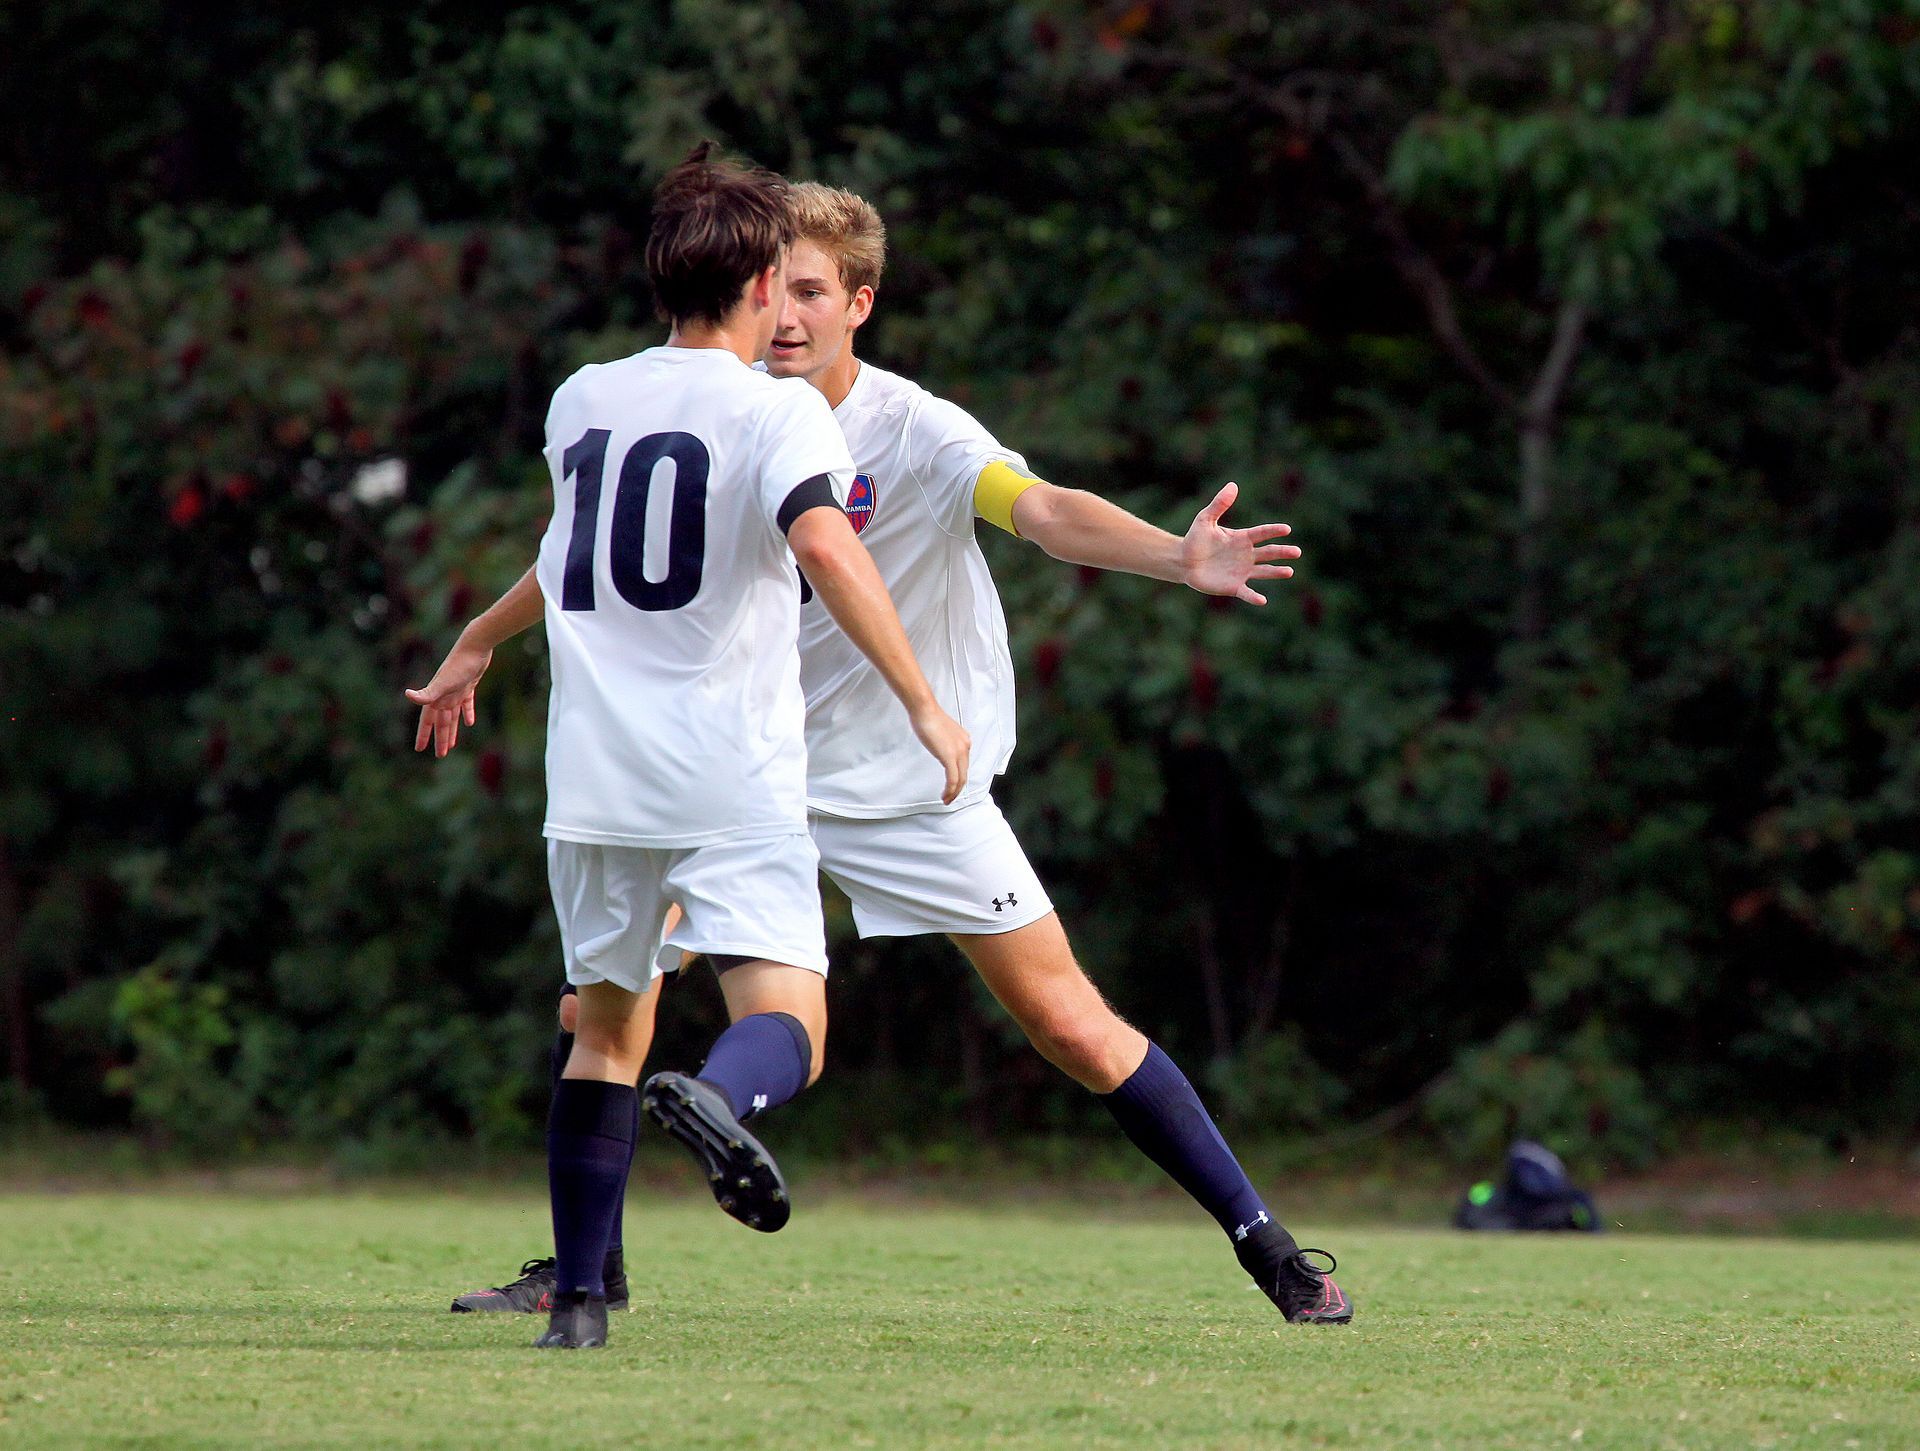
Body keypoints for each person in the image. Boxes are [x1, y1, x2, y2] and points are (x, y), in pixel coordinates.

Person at [443, 182, 1351, 1325]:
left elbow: (1046, 507)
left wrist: (1177, 556)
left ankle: (1267, 1244)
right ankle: (588, 1270)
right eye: (780, 285)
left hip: (903, 776)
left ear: (858, 303)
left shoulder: (915, 429)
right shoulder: (724, 409)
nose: (786, 315)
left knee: (1068, 1021)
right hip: (741, 779)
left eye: (814, 290)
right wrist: (484, 635)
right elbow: (585, 551)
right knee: (600, 1016)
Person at [407, 147, 969, 1350]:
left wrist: (473, 638)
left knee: (604, 1030)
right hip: (729, 774)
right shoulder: (773, 410)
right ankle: (716, 1098)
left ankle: (575, 1307)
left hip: (595, 781)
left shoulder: (584, 397)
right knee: (790, 1022)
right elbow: (826, 545)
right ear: (765, 283)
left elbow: (566, 555)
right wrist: (922, 697)